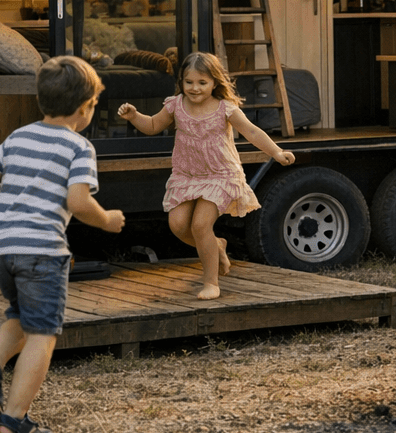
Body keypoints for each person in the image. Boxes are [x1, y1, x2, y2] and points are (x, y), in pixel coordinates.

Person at [0, 55, 125, 433]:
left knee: (20, 313)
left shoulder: (17, 136)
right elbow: (79, 202)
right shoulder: (79, 147)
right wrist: (107, 221)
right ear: (85, 108)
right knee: (43, 332)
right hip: (41, 250)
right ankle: (13, 422)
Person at [117, 52, 296, 299]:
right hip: (187, 174)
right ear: (181, 82)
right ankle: (217, 246)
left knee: (201, 225)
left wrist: (276, 152)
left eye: (202, 83)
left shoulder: (225, 109)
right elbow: (151, 126)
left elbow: (252, 132)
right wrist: (134, 116)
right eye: (189, 82)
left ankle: (211, 283)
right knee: (178, 226)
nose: (195, 88)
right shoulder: (176, 105)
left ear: (214, 82)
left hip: (219, 174)